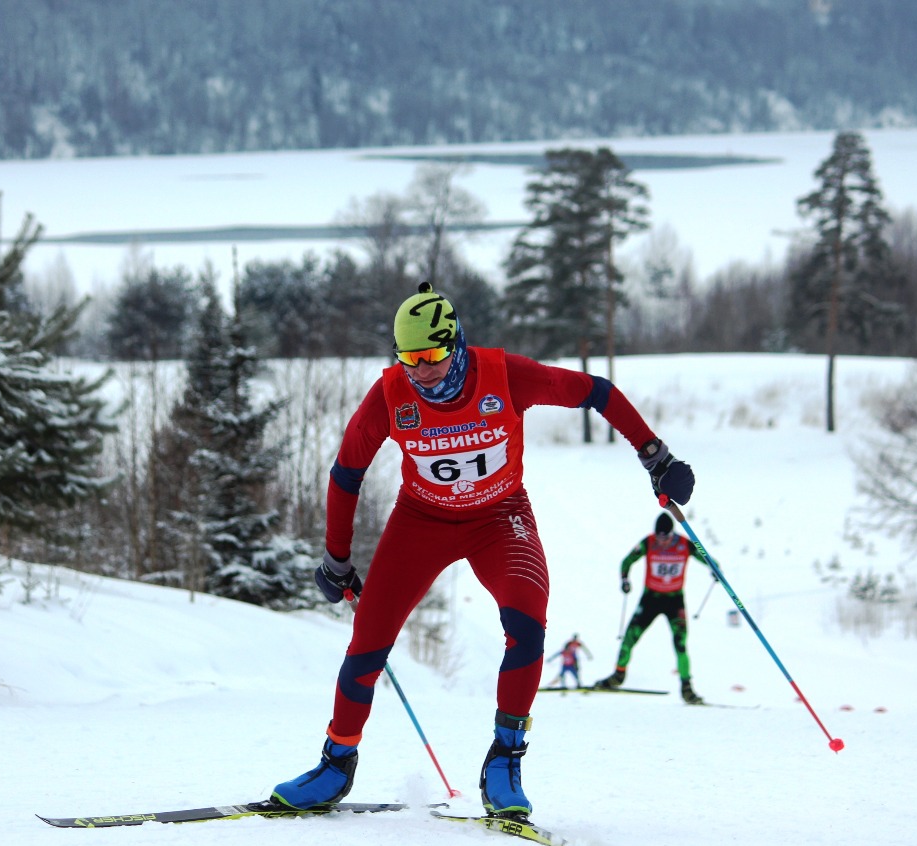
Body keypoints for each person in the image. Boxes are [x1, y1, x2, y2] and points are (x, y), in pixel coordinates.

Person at [270, 281, 695, 818]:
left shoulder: (505, 375)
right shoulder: (390, 395)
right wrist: (336, 557)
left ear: (457, 342)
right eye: (408, 358)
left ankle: (504, 760)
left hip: (499, 516)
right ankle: (335, 765)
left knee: (528, 625)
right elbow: (346, 471)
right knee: (366, 643)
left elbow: (597, 390)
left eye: (431, 356)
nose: (420, 370)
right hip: (420, 520)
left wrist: (655, 455)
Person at [593, 511, 709, 704]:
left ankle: (687, 689)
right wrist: (624, 579)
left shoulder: (684, 544)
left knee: (680, 645)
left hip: (674, 601)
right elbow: (627, 561)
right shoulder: (649, 542)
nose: (662, 541)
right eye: (659, 536)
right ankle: (618, 675)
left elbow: (706, 558)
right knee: (629, 638)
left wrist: (716, 570)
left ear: (672, 534)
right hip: (651, 599)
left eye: (666, 537)